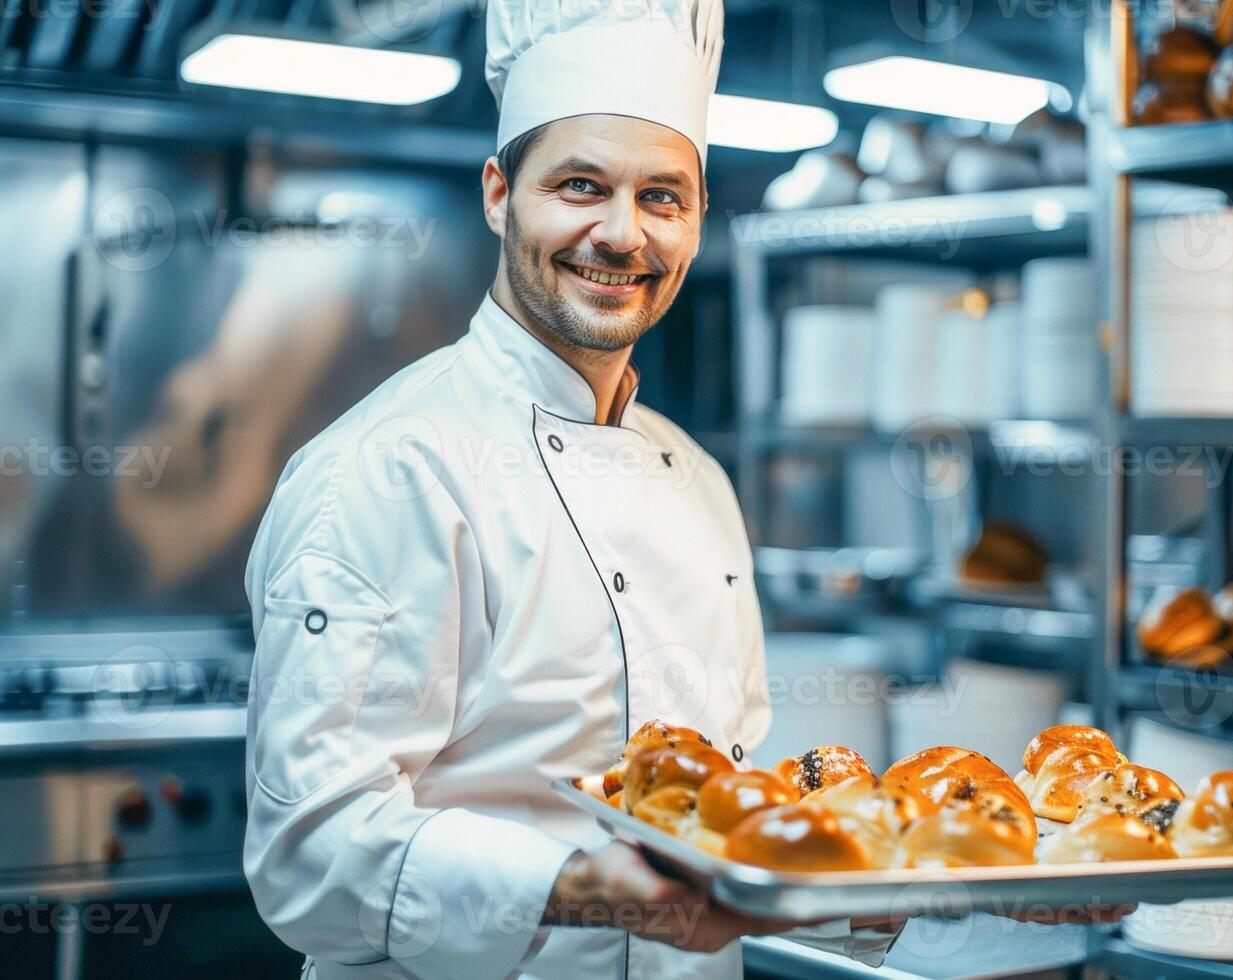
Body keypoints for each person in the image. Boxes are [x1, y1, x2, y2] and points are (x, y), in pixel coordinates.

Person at [242, 2, 905, 976]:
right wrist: (577, 883)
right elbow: (311, 852)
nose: (622, 233)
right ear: (500, 192)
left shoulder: (700, 482)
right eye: (582, 186)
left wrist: (945, 890)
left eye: (663, 197)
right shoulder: (388, 469)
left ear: (699, 216)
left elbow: (733, 825)